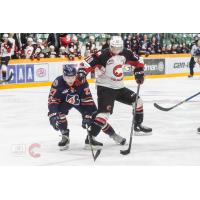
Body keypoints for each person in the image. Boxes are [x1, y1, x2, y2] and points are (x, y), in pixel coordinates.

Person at [78, 36, 152, 138]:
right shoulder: (102, 54)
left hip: (120, 87)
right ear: (110, 46)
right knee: (104, 115)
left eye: (119, 48)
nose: (116, 50)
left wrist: (139, 71)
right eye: (114, 48)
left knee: (138, 102)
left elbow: (139, 61)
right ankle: (91, 138)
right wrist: (82, 72)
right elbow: (85, 63)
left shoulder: (126, 52)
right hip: (105, 88)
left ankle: (137, 126)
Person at [48, 64, 126, 151]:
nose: (70, 80)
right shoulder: (58, 82)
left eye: (73, 77)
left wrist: (87, 116)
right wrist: (53, 115)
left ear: (76, 75)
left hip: (81, 102)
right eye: (68, 78)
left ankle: (113, 135)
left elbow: (88, 100)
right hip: (65, 102)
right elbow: (53, 100)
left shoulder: (82, 81)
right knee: (58, 114)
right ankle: (65, 136)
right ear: (63, 76)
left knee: (96, 117)